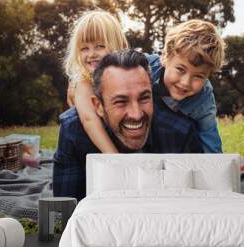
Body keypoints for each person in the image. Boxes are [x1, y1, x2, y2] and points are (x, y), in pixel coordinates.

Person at [53, 50, 203, 200]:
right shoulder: (74, 131)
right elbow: (64, 211)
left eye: (144, 98)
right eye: (121, 101)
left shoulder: (180, 133)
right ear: (98, 106)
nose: (136, 114)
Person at [70, 19, 225, 154]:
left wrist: (215, 171)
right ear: (165, 57)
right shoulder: (144, 66)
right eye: (180, 70)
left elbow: (210, 140)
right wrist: (79, 84)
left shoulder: (204, 100)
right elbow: (113, 71)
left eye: (198, 76)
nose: (185, 82)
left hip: (176, 140)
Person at [64, 10, 128, 153]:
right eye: (84, 48)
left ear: (118, 45)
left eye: (100, 46)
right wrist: (115, 158)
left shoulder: (128, 73)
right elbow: (89, 120)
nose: (92, 54)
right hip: (91, 147)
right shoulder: (84, 81)